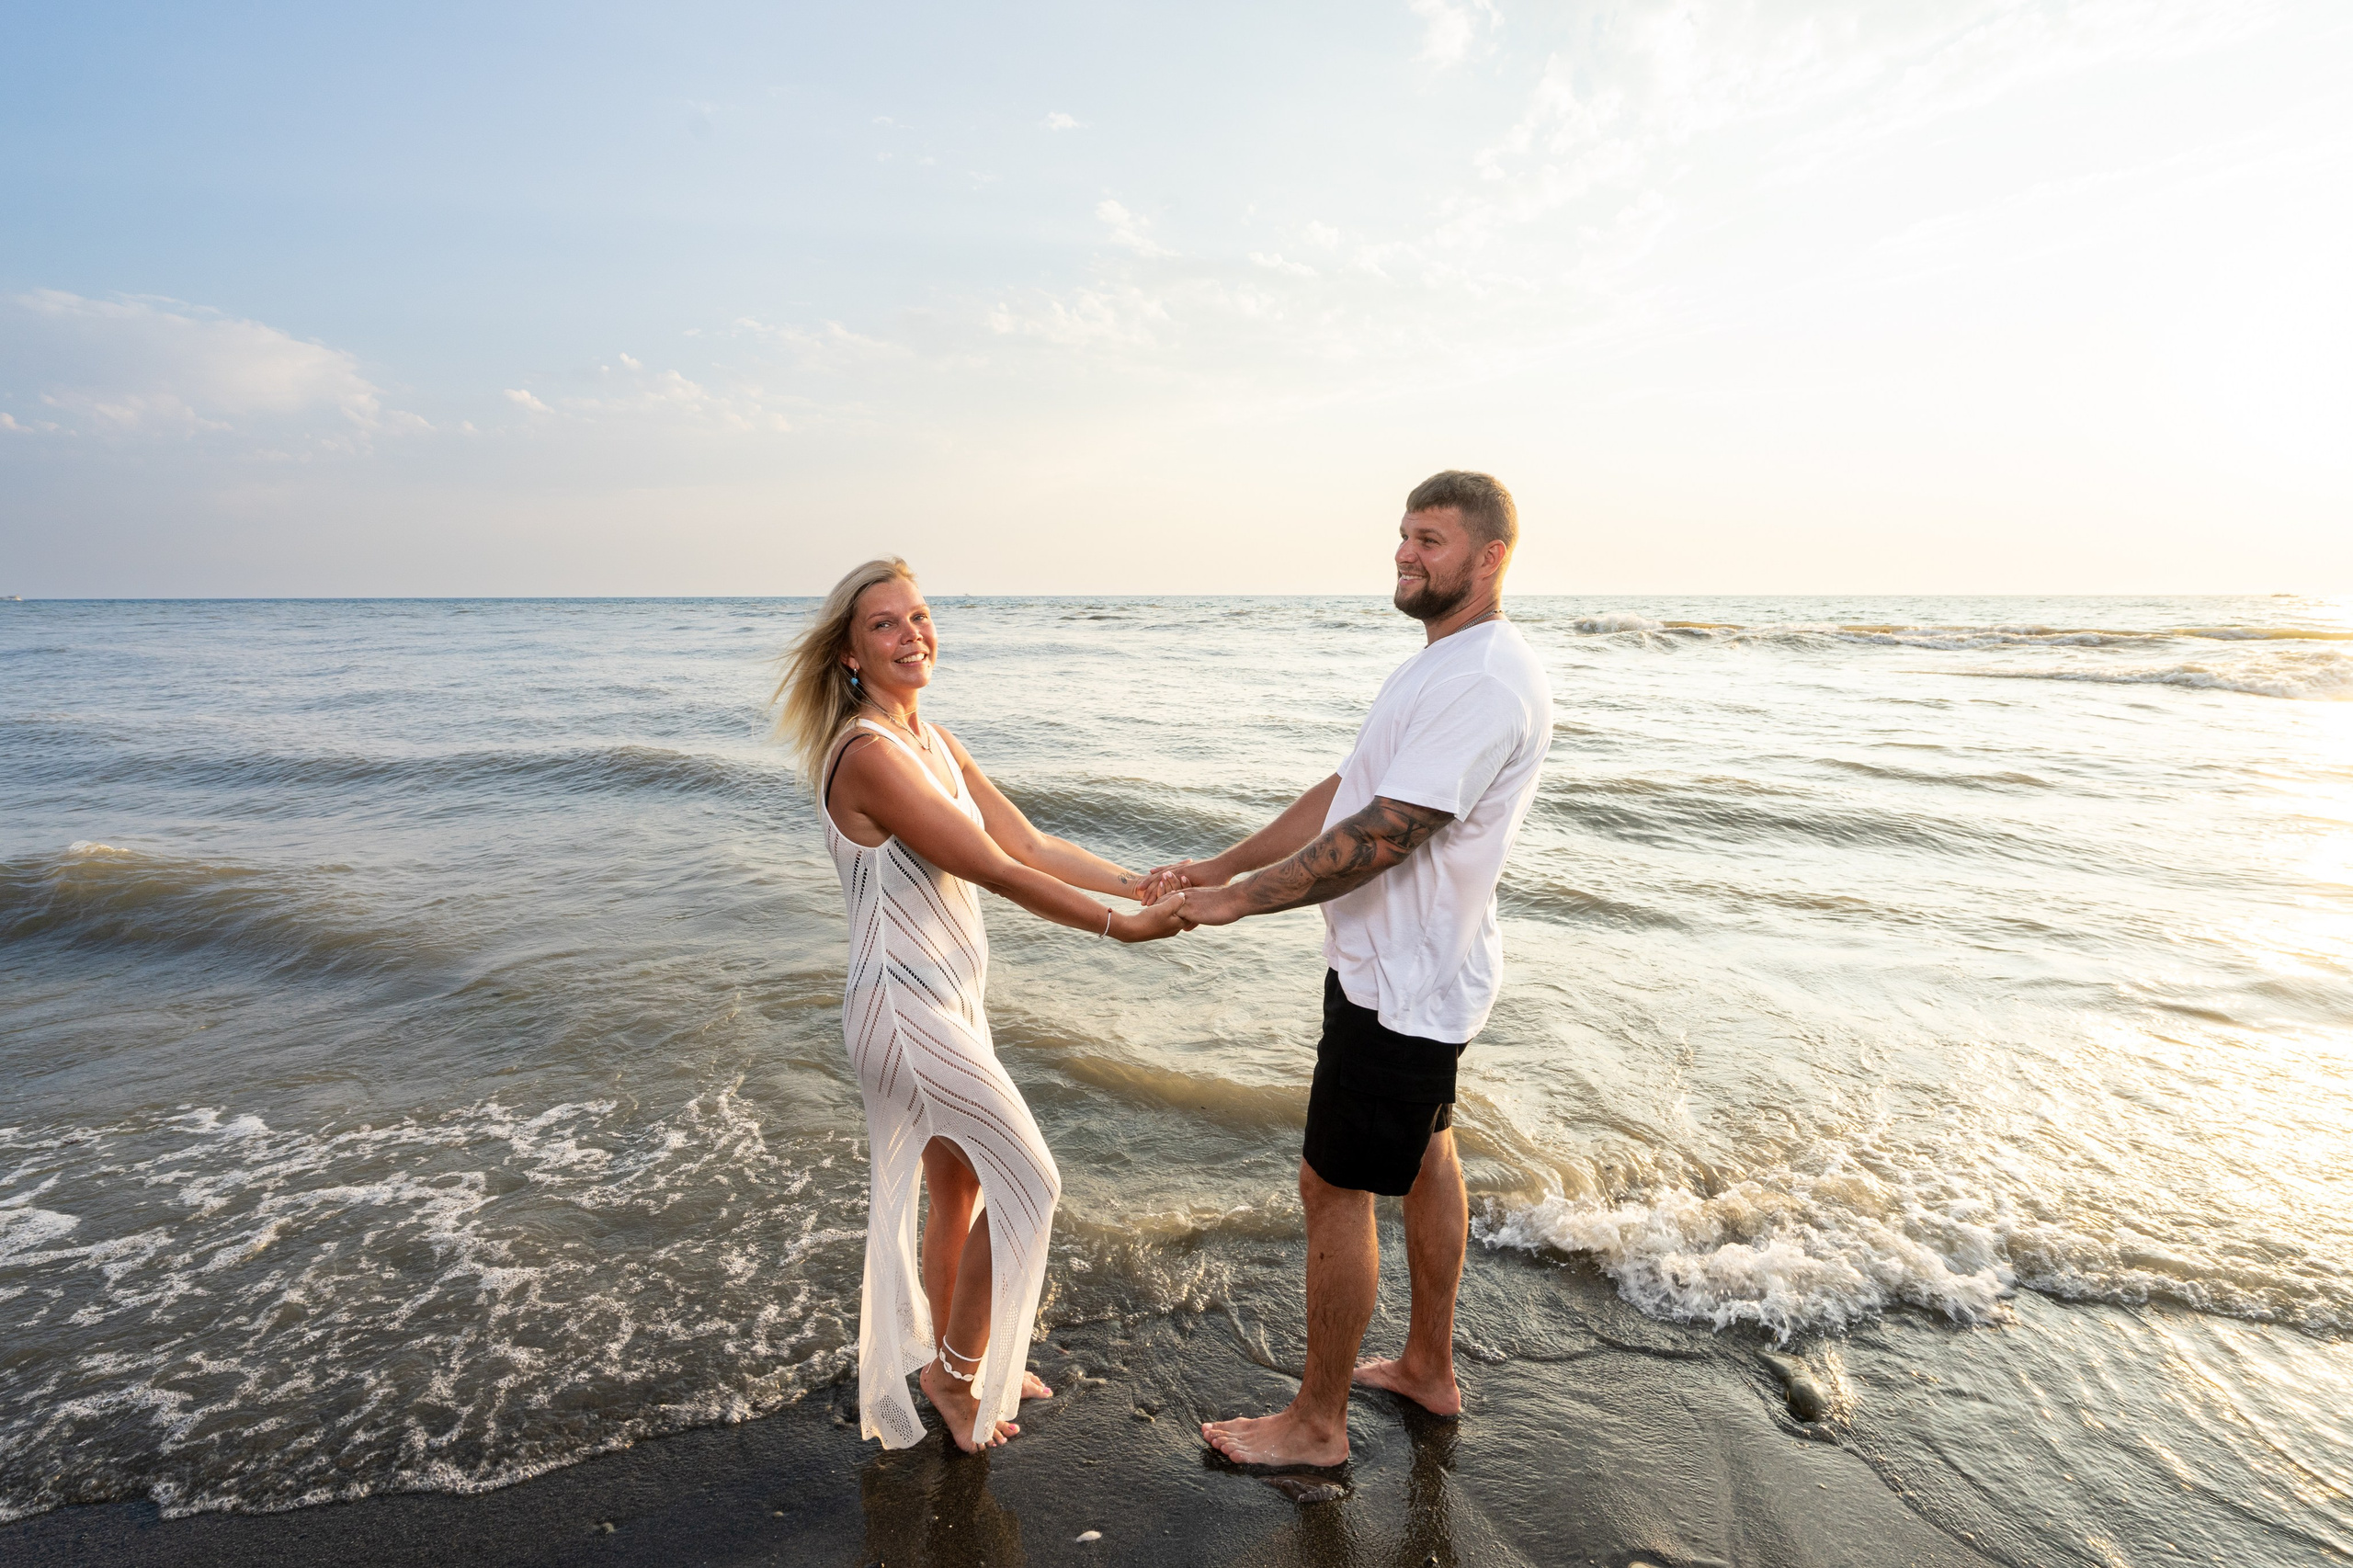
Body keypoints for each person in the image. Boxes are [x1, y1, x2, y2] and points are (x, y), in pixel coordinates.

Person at [1149, 471, 1553, 1469]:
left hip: (1404, 985)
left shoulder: (1484, 677)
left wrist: (1239, 902)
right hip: (1404, 970)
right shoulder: (1442, 661)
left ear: (1489, 555)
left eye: (1431, 538)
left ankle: (1315, 1424)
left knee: (1333, 1185)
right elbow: (1352, 788)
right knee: (1423, 1157)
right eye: (1404, 535)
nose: (1406, 553)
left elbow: (1387, 832)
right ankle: (1426, 1365)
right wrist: (1223, 862)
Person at [774, 558, 1188, 1454]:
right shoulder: (870, 753)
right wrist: (1125, 927)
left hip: (949, 1001)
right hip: (903, 1009)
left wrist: (1144, 881)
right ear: (849, 652)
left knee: (958, 1183)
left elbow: (1029, 839)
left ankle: (950, 1357)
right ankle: (960, 1377)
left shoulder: (932, 738)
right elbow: (993, 869)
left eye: (918, 615)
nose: (910, 633)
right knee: (1030, 1181)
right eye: (884, 623)